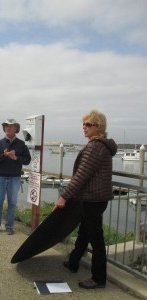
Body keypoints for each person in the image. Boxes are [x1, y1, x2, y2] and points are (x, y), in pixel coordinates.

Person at [55, 110, 117, 289]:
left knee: (96, 239)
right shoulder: (99, 145)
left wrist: (64, 196)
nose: (84, 127)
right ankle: (74, 262)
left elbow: (82, 175)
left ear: (99, 127)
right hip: (95, 198)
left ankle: (99, 279)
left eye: (88, 124)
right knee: (85, 232)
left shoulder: (95, 147)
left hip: (93, 199)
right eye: (83, 124)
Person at [0, 119, 31, 235]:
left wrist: (16, 158)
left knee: (12, 202)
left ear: (16, 129)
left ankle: (9, 226)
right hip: (0, 177)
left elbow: (27, 160)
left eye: (11, 126)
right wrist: (4, 155)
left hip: (15, 178)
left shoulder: (21, 144)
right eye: (6, 126)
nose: (8, 128)